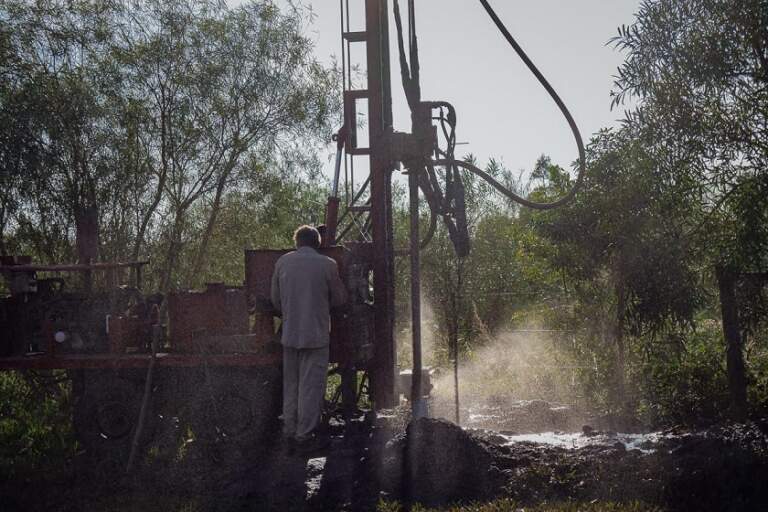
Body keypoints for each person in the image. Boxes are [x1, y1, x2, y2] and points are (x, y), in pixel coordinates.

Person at [271, 225, 347, 452]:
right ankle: (304, 436)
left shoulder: (283, 262)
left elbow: (275, 300)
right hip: (316, 335)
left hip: (290, 335)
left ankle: (289, 430)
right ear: (318, 242)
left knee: (291, 386)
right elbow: (340, 299)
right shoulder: (328, 264)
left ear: (297, 242)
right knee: (310, 387)